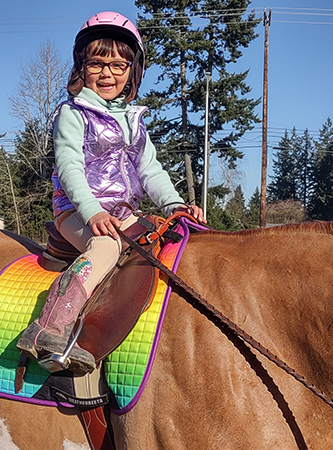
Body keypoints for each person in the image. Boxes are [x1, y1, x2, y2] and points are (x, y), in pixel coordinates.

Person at [16, 11, 205, 373]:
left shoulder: (133, 120)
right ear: (82, 67)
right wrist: (90, 211)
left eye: (119, 66)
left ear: (132, 72)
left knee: (167, 242)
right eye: (98, 63)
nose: (108, 74)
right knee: (105, 247)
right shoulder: (73, 114)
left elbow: (150, 169)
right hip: (77, 211)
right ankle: (49, 326)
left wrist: (177, 206)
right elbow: (70, 168)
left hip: (122, 211)